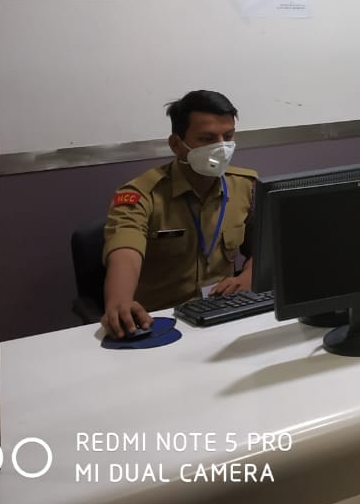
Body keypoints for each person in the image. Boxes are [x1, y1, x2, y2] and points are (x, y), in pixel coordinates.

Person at [101, 90, 257, 338]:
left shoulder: (244, 186)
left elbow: (265, 246)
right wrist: (119, 302)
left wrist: (251, 275)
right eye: (207, 139)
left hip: (224, 315)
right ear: (177, 144)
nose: (221, 148)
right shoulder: (141, 195)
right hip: (163, 322)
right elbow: (125, 251)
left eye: (227, 136)